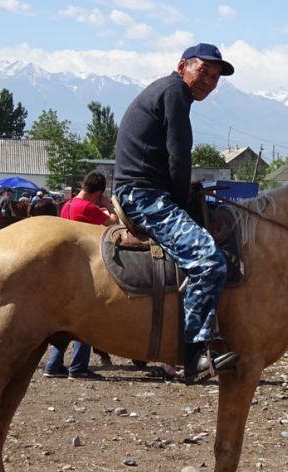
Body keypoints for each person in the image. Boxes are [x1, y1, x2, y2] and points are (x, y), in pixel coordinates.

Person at [113, 42, 238, 384]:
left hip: (144, 187)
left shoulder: (167, 91)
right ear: (182, 65)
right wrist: (182, 199)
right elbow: (179, 157)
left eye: (214, 78)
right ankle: (194, 353)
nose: (208, 82)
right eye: (204, 72)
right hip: (143, 194)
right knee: (209, 261)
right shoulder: (175, 94)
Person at [44, 171, 114, 380]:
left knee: (65, 320)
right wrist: (108, 205)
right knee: (87, 317)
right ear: (98, 192)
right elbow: (112, 222)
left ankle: (54, 364)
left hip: (64, 269)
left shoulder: (67, 205)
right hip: (83, 268)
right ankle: (78, 367)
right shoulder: (89, 207)